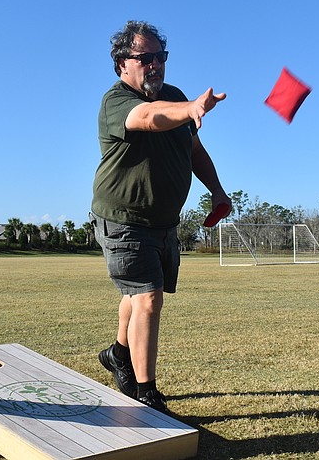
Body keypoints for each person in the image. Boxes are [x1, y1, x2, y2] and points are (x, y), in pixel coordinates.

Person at [91, 20, 231, 413]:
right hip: (123, 218)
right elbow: (149, 118)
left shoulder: (174, 96)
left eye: (160, 57)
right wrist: (189, 108)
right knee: (148, 298)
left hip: (163, 222)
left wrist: (217, 190)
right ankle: (145, 391)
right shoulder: (116, 100)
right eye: (145, 58)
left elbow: (193, 151)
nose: (155, 64)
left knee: (137, 296)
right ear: (123, 64)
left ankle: (119, 354)